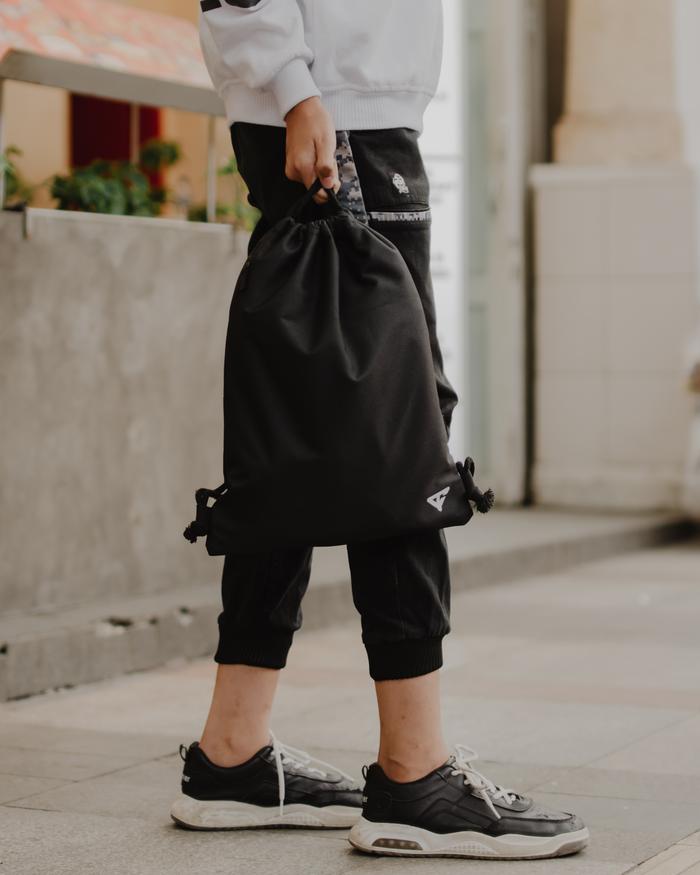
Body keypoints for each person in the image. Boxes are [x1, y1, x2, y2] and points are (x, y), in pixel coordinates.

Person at [170, 0, 589, 860]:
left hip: (334, 106)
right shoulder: (319, 102)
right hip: (336, 114)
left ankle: (232, 750)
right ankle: (414, 770)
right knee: (395, 442)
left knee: (307, 440)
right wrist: (296, 90)